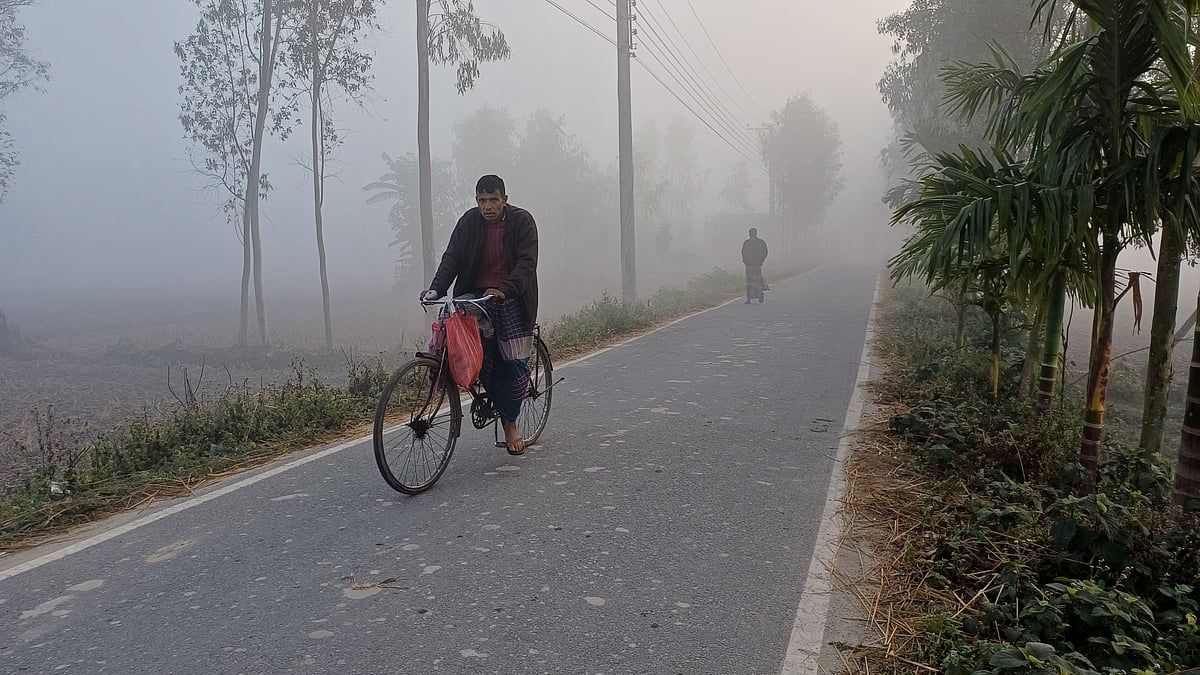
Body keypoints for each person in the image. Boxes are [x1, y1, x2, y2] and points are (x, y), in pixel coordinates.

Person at [421, 175, 539, 455]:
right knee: (473, 352)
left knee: (514, 364)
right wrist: (436, 289)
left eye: (493, 200)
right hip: (475, 295)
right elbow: (452, 257)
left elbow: (527, 263)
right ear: (476, 201)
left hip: (512, 298)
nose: (487, 206)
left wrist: (506, 290)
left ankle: (510, 425)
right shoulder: (469, 222)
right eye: (482, 200)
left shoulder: (523, 222)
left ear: (505, 200)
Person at [741, 227, 769, 303]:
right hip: (754, 265)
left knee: (752, 282)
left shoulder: (748, 242)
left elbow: (743, 253)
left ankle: (753, 297)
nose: (751, 235)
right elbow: (743, 253)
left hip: (753, 265)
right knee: (754, 281)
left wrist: (745, 261)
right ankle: (752, 297)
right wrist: (761, 260)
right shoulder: (760, 242)